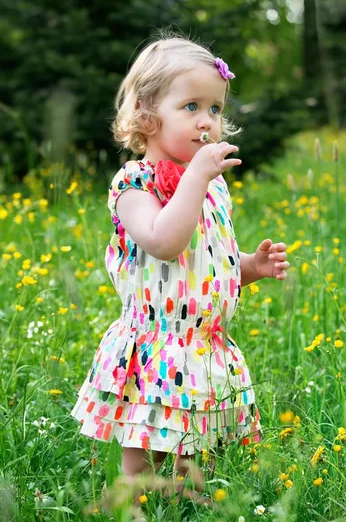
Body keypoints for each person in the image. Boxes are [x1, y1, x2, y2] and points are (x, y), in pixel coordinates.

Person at [70, 32, 290, 498]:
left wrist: (251, 265)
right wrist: (196, 178)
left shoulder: (210, 187)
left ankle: (179, 494)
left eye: (215, 109)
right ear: (147, 116)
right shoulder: (133, 183)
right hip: (155, 342)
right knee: (143, 431)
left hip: (201, 342)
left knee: (190, 442)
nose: (207, 122)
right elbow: (164, 242)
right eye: (191, 107)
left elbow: (209, 265)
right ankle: (130, 492)